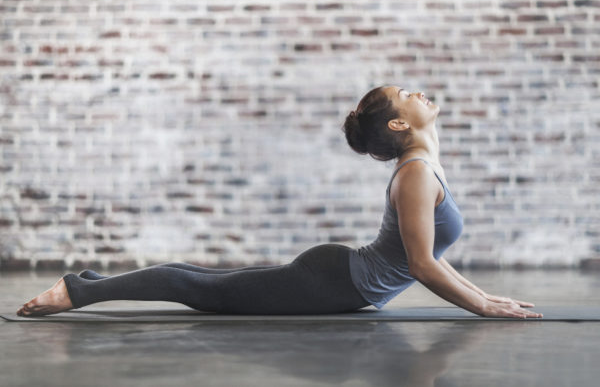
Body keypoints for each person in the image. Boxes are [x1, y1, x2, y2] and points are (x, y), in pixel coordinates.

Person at [17, 85, 543, 319]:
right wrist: (481, 307)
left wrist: (490, 298)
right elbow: (423, 266)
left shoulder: (423, 171)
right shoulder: (415, 177)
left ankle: (83, 285)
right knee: (200, 289)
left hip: (338, 277)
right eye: (408, 93)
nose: (419, 93)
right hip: (334, 280)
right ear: (401, 124)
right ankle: (76, 292)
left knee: (203, 282)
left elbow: (429, 257)